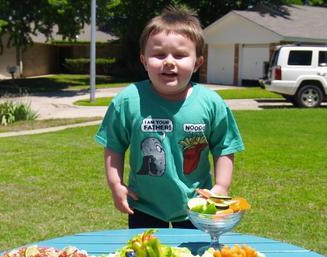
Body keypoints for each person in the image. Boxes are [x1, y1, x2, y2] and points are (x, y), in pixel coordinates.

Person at [95, 6, 244, 229]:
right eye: (159, 54)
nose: (169, 62)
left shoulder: (211, 103)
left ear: (197, 63)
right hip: (144, 206)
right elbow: (113, 145)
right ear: (144, 60)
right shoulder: (128, 101)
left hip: (198, 205)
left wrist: (221, 186)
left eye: (180, 55)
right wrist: (116, 184)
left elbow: (224, 146)